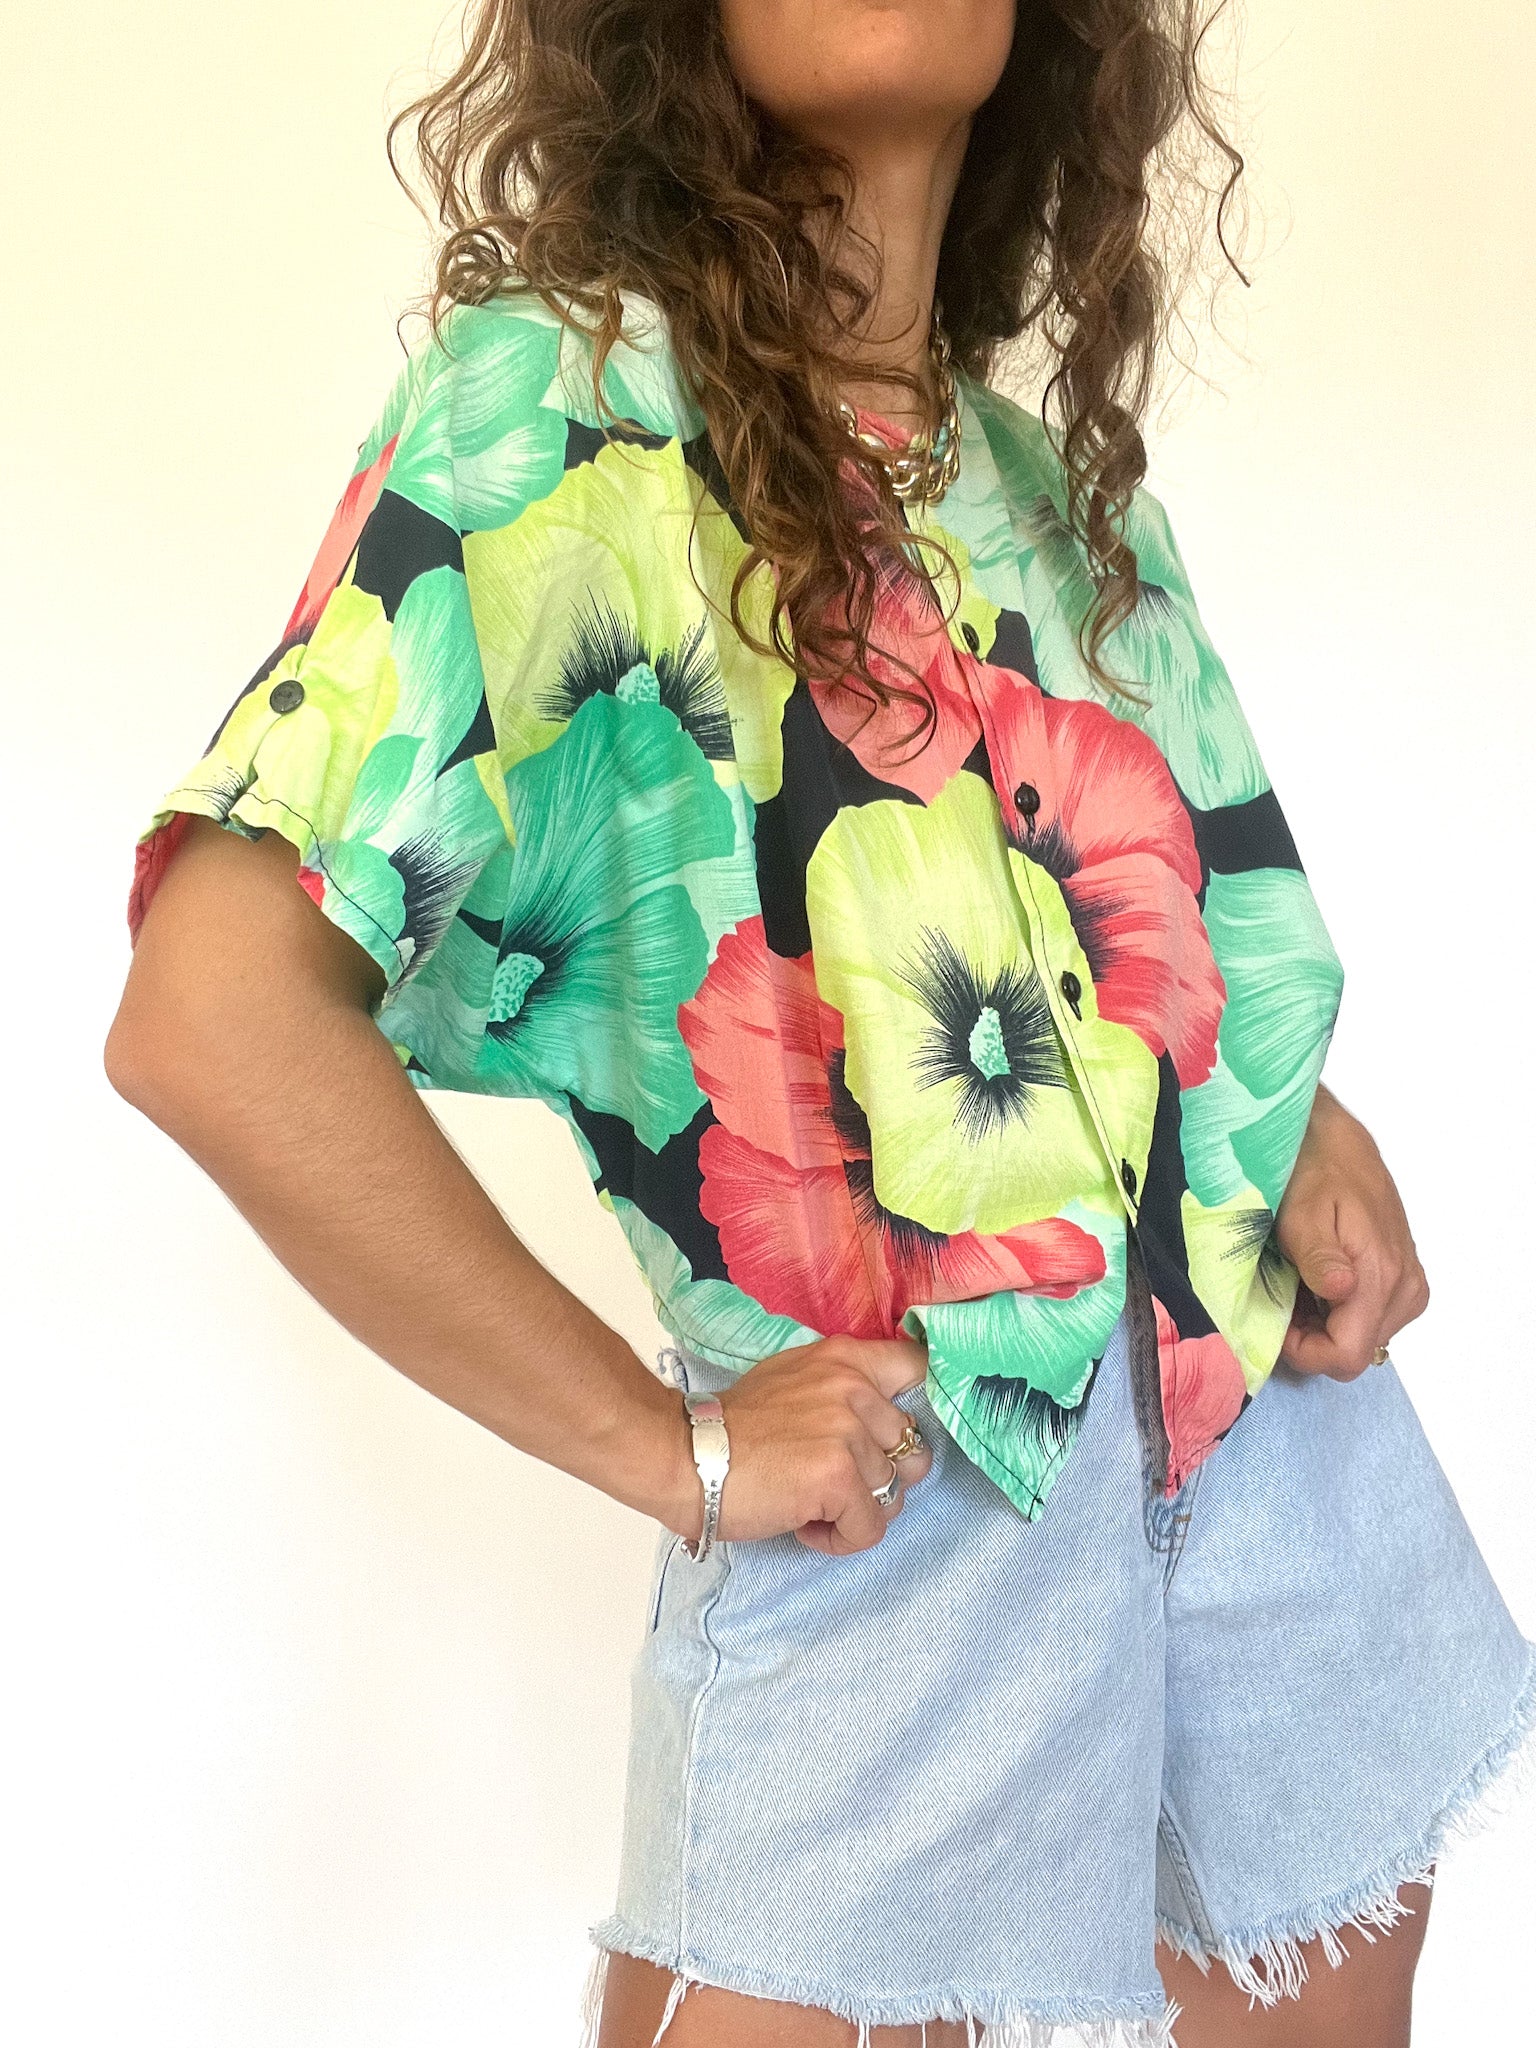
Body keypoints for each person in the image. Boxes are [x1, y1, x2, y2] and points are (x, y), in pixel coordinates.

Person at [104, 3, 1533, 2044]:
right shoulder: (561, 410)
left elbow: (1138, 951)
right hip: (909, 1508)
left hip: (1280, 1459)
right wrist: (665, 1442)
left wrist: (1292, 1119)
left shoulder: (1049, 485)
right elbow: (212, 1006)